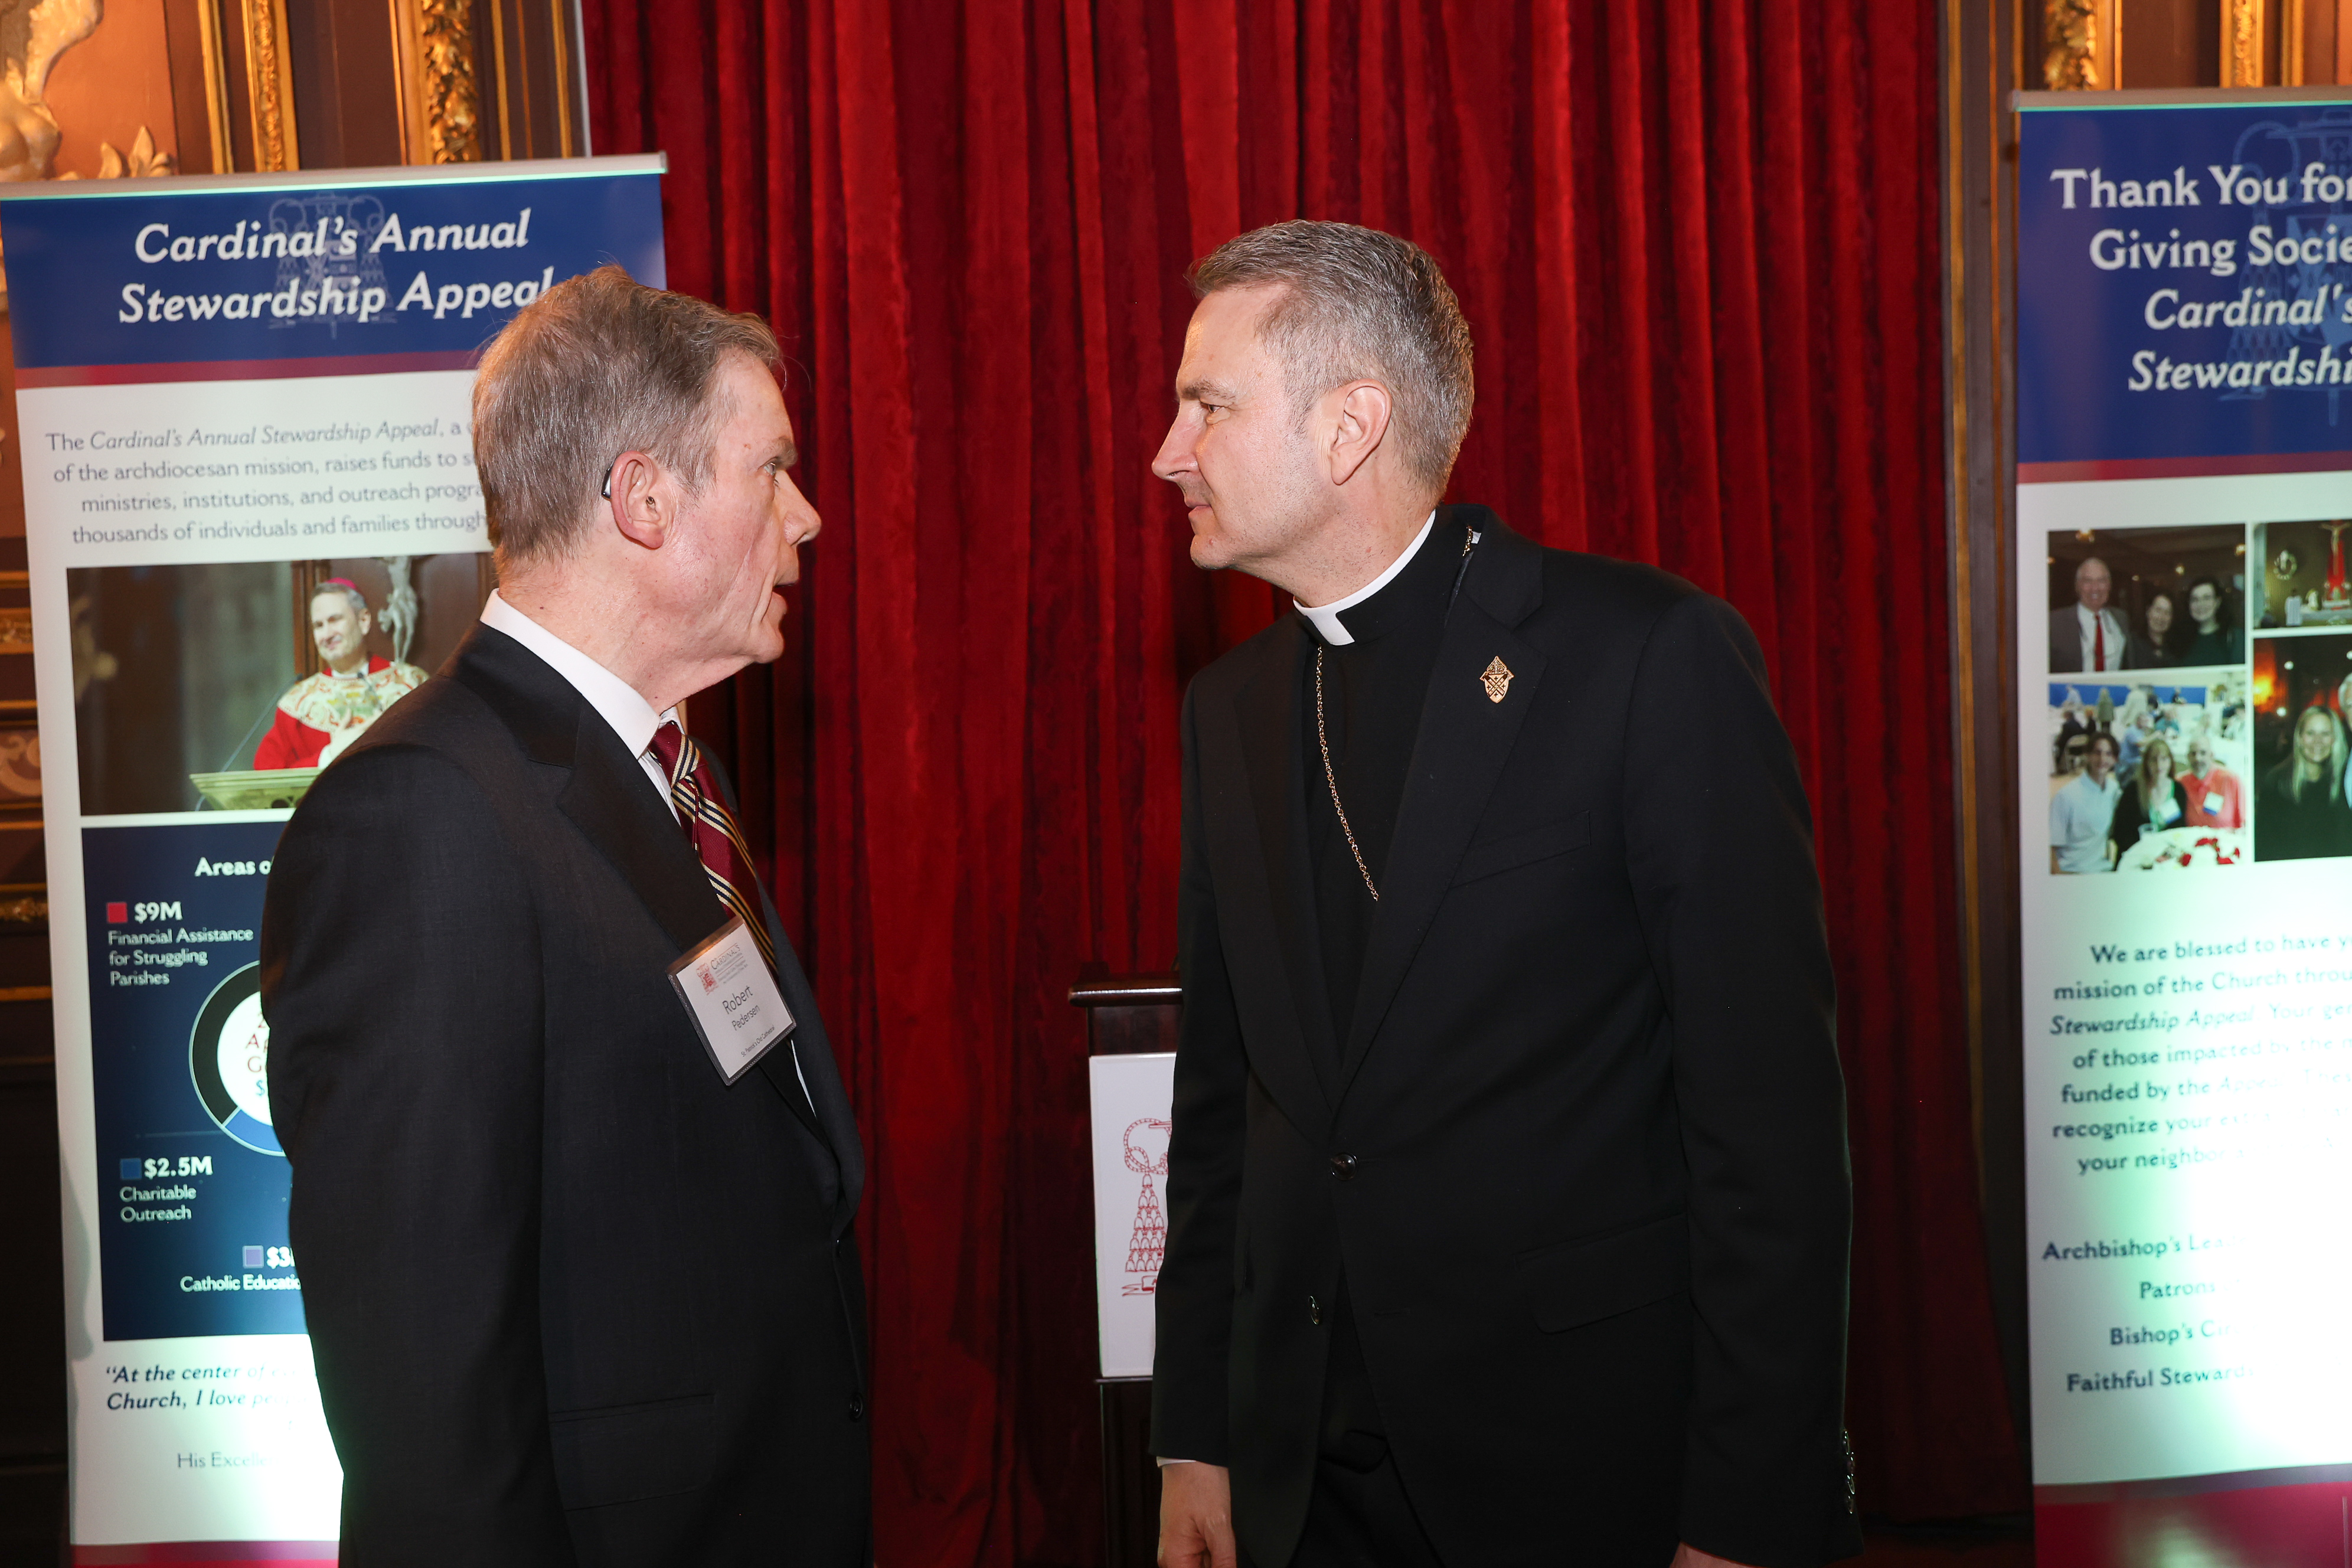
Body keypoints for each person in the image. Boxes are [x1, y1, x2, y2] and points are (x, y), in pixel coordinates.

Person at [1147, 220, 1857, 1568]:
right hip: (1303, 1485)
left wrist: (1746, 1516)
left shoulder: (1646, 660)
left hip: (1575, 1470)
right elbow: (1222, 1113)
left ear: (1349, 425)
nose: (1168, 451)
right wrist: (1196, 1433)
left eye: (1208, 406)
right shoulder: (1227, 709)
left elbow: (1766, 1135)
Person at [259, 267, 867, 1563]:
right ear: (645, 499)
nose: (807, 514)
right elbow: (427, 1388)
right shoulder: (420, 814)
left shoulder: (666, 769)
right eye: (771, 468)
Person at [250, 579, 427, 769]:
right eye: (319, 625)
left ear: (364, 621)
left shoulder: (413, 685)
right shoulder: (297, 703)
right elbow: (266, 777)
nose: (327, 635)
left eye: (335, 620)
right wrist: (329, 756)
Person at [2256, 703, 2351, 861]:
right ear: (2300, 738)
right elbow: (2263, 845)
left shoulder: (2344, 783)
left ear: (2334, 739)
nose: (2317, 741)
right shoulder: (2277, 782)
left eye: (2325, 734)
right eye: (2310, 733)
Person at [2050, 731, 2122, 873]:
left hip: (2102, 868)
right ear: (2087, 755)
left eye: (2108, 754)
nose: (2102, 759)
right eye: (2097, 753)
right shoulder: (2066, 796)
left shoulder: (2113, 789)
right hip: (2072, 871)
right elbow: (2051, 849)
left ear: (2115, 760)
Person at [2108, 736, 2187, 864]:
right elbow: (2120, 832)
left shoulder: (2178, 790)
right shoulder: (2133, 791)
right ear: (2146, 763)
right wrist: (2145, 854)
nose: (2159, 765)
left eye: (2164, 759)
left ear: (2171, 762)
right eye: (2154, 760)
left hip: (2167, 858)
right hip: (2137, 858)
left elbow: (2180, 829)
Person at [2050, 555, 2128, 673]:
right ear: (2078, 586)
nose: (2095, 588)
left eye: (2101, 581)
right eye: (2088, 581)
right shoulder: (2055, 623)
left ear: (2109, 585)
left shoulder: (2121, 618)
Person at [2177, 731, 2244, 829]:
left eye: (2203, 753)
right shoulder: (2180, 782)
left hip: (2224, 837)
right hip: (2191, 838)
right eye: (2193, 754)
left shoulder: (2230, 780)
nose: (2198, 759)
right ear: (2188, 757)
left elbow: (2243, 824)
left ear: (2212, 755)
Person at [2179, 576, 2243, 667]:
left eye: (2207, 598)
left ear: (2217, 602)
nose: (2200, 604)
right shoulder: (2180, 640)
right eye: (2195, 599)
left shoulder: (2235, 637)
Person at [2128, 589, 2180, 669]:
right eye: (2158, 610)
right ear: (2148, 612)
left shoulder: (2177, 648)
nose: (2161, 617)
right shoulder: (2133, 644)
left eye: (2167, 613)